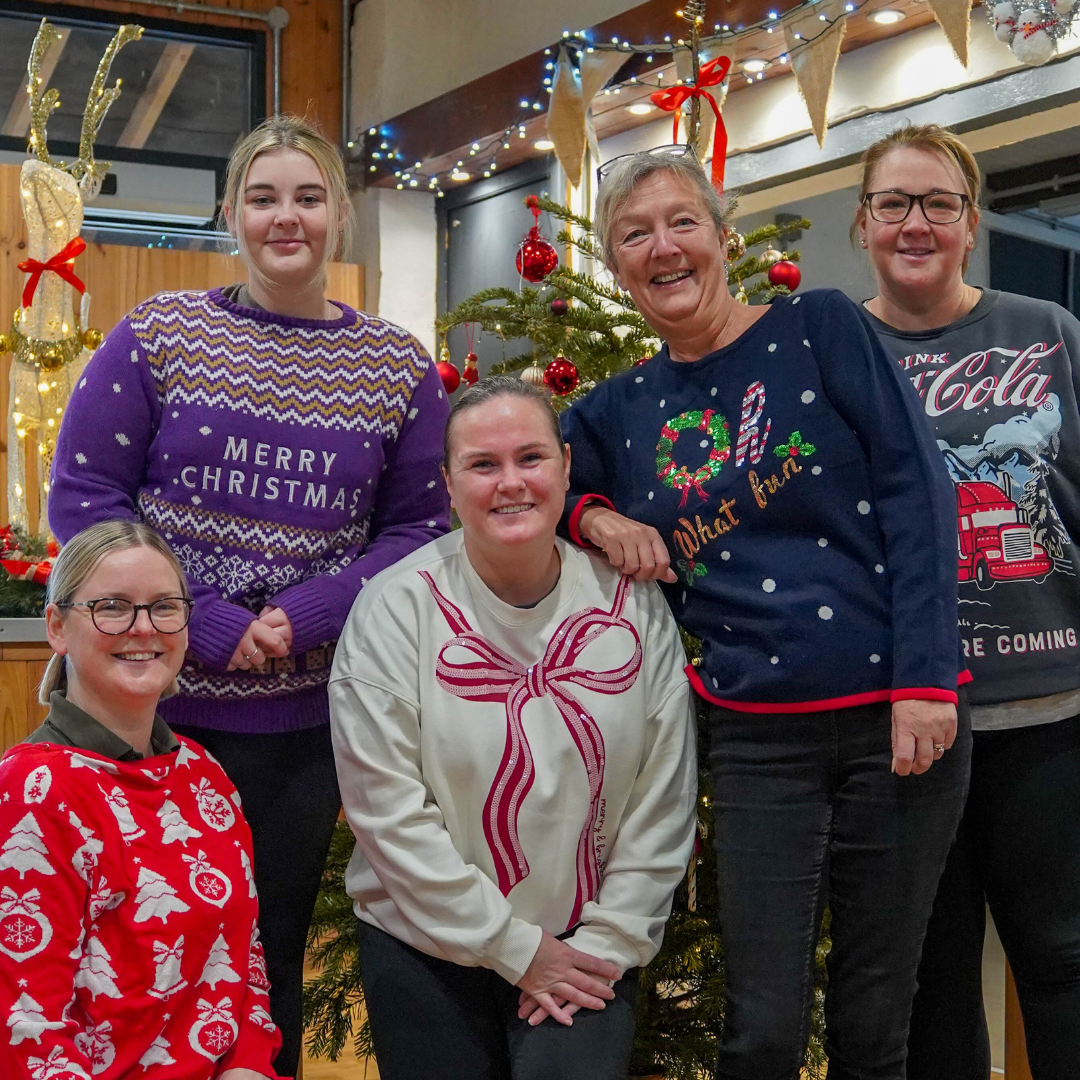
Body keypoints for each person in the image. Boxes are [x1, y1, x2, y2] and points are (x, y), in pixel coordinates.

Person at [46, 115, 450, 1076]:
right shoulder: (158, 336)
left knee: (257, 960)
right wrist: (205, 623)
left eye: (308, 197)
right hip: (143, 719)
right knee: (125, 954)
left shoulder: (397, 367)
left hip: (297, 731)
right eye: (263, 197)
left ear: (339, 216)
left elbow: (423, 531)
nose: (286, 218)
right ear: (231, 214)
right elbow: (84, 498)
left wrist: (310, 613)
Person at [558, 146, 971, 1079]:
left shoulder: (821, 328)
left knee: (875, 1022)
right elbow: (531, 478)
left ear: (723, 238)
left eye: (681, 223)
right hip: (753, 739)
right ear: (618, 268)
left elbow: (917, 492)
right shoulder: (618, 409)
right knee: (761, 1028)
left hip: (896, 721)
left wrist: (927, 681)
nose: (662, 248)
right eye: (634, 235)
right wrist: (598, 515)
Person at [328, 377, 697, 1080]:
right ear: (448, 483)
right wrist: (516, 950)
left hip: (588, 942)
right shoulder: (394, 612)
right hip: (425, 941)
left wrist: (606, 943)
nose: (510, 483)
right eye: (482, 464)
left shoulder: (632, 607)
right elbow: (389, 816)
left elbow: (664, 796)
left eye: (530, 458)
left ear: (564, 466)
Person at [855, 122, 1080, 1079]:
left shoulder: (1050, 332)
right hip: (905, 725)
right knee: (933, 983)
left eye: (938, 203)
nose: (917, 223)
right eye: (895, 203)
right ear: (863, 221)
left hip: (1053, 709)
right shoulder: (832, 349)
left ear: (970, 220)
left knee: (1065, 959)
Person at [0, 519, 283, 1079]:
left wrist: (248, 1066)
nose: (143, 629)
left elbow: (242, 968)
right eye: (112, 606)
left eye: (163, 607)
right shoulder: (31, 794)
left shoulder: (205, 777)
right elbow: (25, 1032)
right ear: (57, 626)